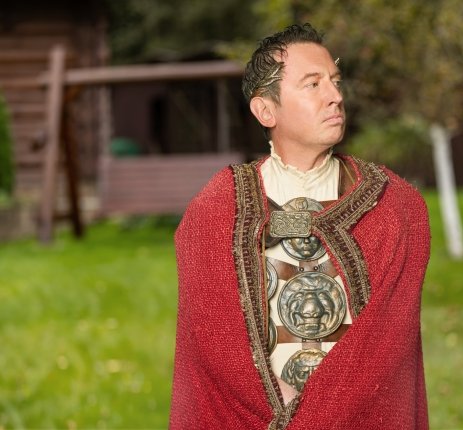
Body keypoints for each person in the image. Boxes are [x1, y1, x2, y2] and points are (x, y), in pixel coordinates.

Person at [169, 23, 430, 429]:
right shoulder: (218, 211)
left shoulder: (393, 207)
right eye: (313, 84)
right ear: (266, 111)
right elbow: (214, 342)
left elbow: (385, 344)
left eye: (335, 81)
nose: (335, 96)